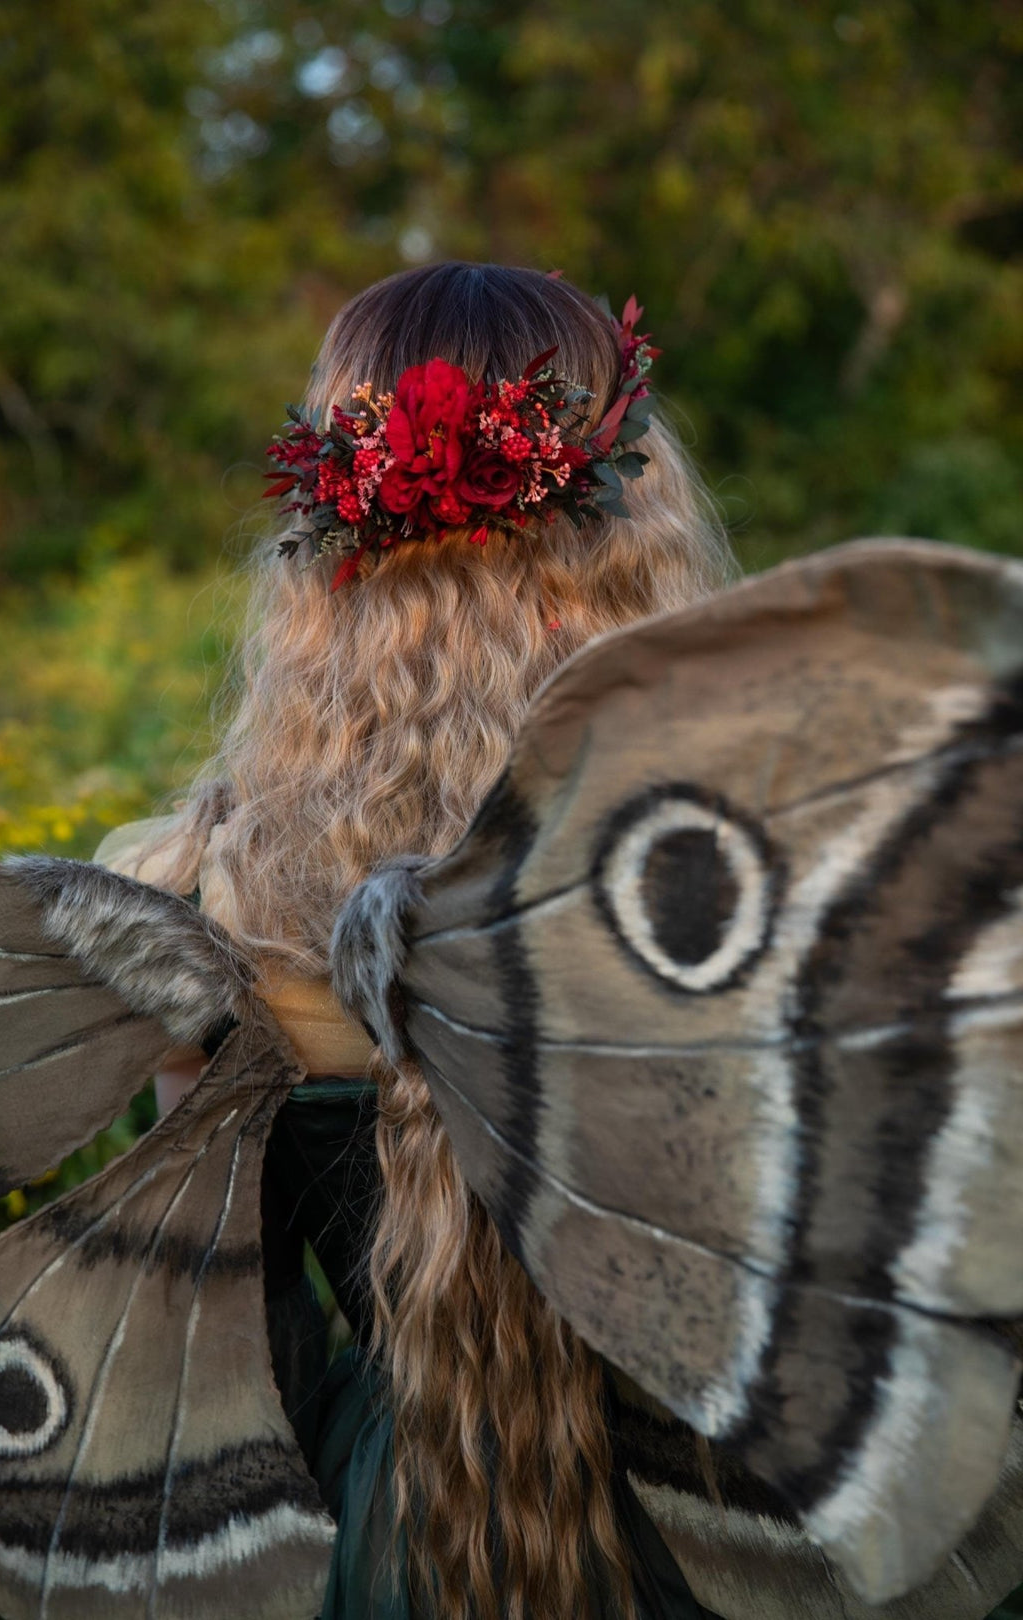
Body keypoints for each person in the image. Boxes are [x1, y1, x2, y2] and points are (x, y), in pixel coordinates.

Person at [95, 261, 732, 1620]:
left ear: (321, 560)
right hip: (737, 1533)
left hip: (386, 1545)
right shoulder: (754, 869)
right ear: (636, 519)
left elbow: (237, 1370)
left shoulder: (187, 891)